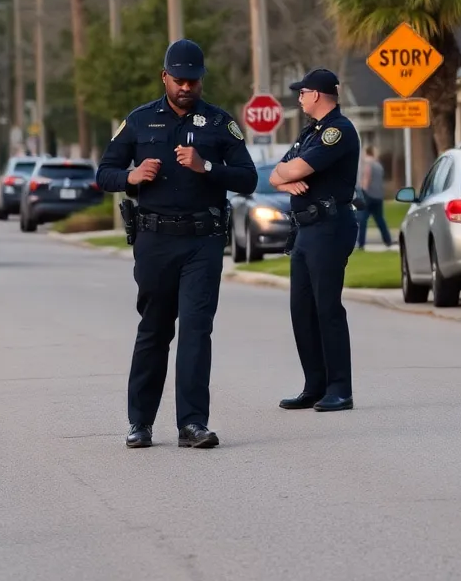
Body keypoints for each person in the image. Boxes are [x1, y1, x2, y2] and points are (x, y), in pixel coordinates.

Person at [96, 38, 258, 450]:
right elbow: (105, 172)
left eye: (194, 80)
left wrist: (207, 167)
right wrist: (131, 177)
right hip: (154, 240)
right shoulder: (139, 121)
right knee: (154, 330)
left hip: (202, 241)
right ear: (164, 76)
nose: (187, 87)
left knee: (196, 331)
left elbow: (248, 178)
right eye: (180, 80)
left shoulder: (221, 124)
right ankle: (140, 423)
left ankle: (193, 424)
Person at [268, 68, 360, 413]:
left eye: (303, 92)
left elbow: (291, 170)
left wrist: (288, 174)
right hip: (306, 229)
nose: (300, 98)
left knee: (327, 307)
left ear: (317, 95)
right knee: (302, 310)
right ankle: (315, 385)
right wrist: (286, 179)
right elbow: (279, 171)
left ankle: (340, 388)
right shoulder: (311, 132)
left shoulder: (338, 131)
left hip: (329, 225)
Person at [355, 145, 392, 249]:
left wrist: (362, 190)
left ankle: (361, 243)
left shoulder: (368, 163)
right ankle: (387, 240)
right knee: (380, 219)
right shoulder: (378, 165)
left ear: (367, 152)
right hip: (378, 196)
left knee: (362, 219)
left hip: (368, 195)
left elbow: (367, 177)